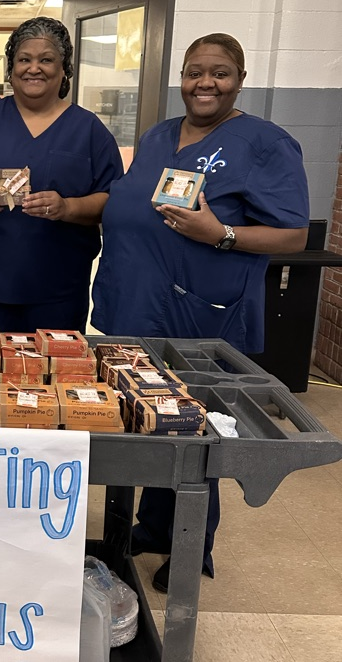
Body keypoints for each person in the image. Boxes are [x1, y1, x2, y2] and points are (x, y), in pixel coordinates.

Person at [91, 33, 309, 592]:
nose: (204, 83)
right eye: (194, 72)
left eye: (219, 73)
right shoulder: (160, 134)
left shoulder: (265, 142)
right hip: (136, 304)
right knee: (146, 419)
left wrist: (223, 234)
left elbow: (292, 236)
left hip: (198, 315)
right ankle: (150, 526)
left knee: (194, 427)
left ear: (239, 78)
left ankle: (193, 543)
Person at [0, 17, 123, 332]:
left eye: (46, 60)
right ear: (11, 69)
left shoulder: (88, 129)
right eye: (24, 59)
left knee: (52, 374)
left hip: (58, 292)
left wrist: (68, 207)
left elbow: (111, 198)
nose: (33, 68)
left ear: (64, 69)